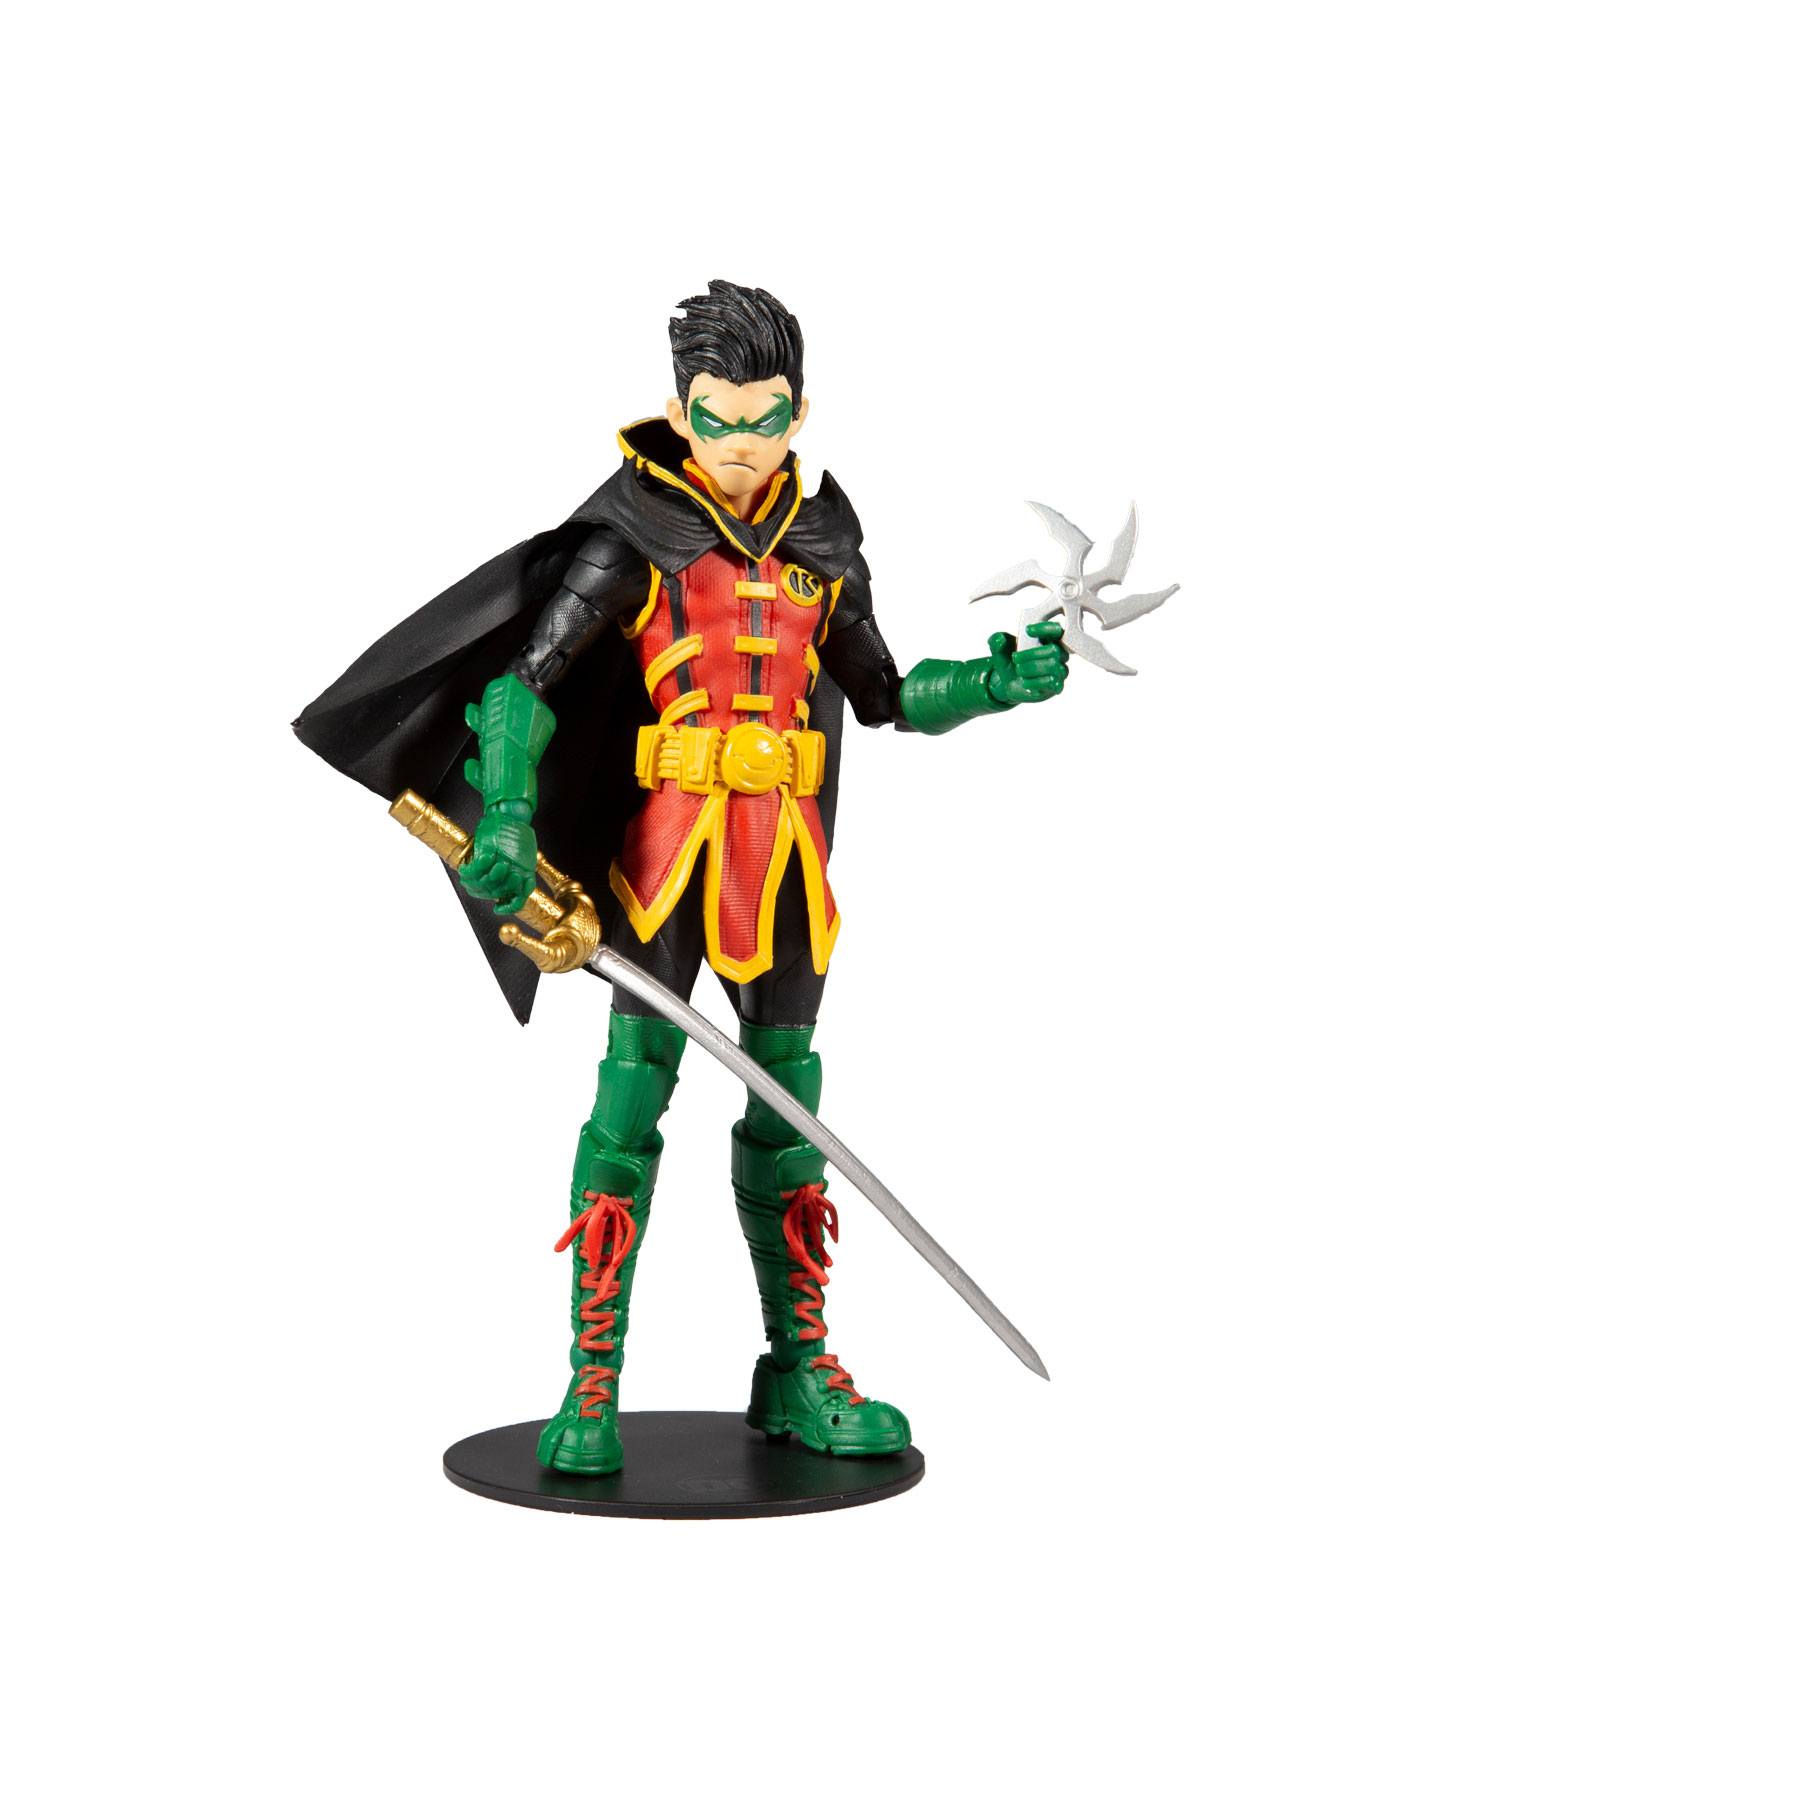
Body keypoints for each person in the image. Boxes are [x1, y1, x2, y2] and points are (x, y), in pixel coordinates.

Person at [297, 280, 1068, 1475]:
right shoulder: (635, 535)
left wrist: (992, 684)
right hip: (660, 860)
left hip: (787, 868)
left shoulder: (823, 546)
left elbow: (883, 695)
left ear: (798, 413)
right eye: (718, 419)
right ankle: (591, 1381)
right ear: (679, 411)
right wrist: (510, 815)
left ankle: (798, 1369)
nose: (741, 445)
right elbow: (522, 688)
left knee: (788, 1108)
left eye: (765, 419)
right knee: (628, 1105)